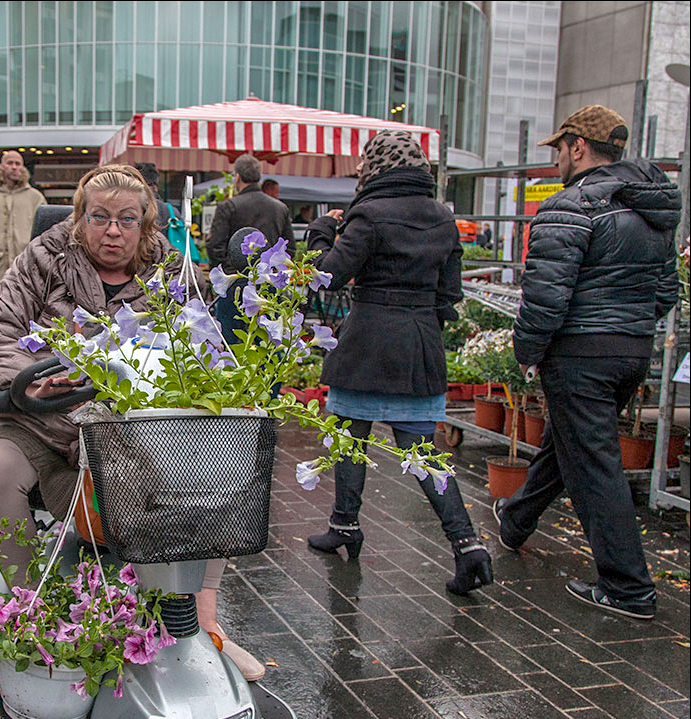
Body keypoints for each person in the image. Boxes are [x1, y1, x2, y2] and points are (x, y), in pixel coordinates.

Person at [0, 164, 267, 682]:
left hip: (135, 433)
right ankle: (26, 608)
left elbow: (208, 349)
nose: (113, 230)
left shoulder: (172, 273)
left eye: (127, 220)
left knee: (220, 473)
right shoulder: (42, 259)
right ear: (80, 217)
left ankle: (201, 623)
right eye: (100, 217)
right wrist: (32, 380)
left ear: (145, 223)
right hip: (44, 424)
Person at [492, 106, 680, 620]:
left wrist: (528, 353)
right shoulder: (652, 209)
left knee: (594, 466)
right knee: (570, 444)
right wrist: (626, 325)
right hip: (630, 352)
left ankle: (628, 588)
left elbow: (545, 298)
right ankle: (516, 520)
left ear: (578, 147)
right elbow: (666, 290)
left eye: (558, 149)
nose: (555, 160)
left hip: (579, 356)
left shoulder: (569, 206)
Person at [304, 129, 493, 597]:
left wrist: (323, 229)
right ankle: (467, 545)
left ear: (374, 167)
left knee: (349, 438)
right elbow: (451, 295)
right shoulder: (444, 218)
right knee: (424, 453)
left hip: (368, 339)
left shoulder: (367, 213)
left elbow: (326, 276)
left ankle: (346, 527)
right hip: (419, 344)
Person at [206, 155, 295, 346]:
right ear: (259, 177)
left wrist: (224, 275)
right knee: (268, 344)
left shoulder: (228, 206)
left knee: (231, 345)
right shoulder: (280, 208)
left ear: (237, 177)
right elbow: (290, 250)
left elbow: (215, 246)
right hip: (269, 285)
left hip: (234, 285)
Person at [0, 149, 45, 273]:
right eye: (10, 163)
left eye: (18, 164)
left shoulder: (35, 197)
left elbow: (44, 231)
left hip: (25, 263)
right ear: (1, 166)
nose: (14, 167)